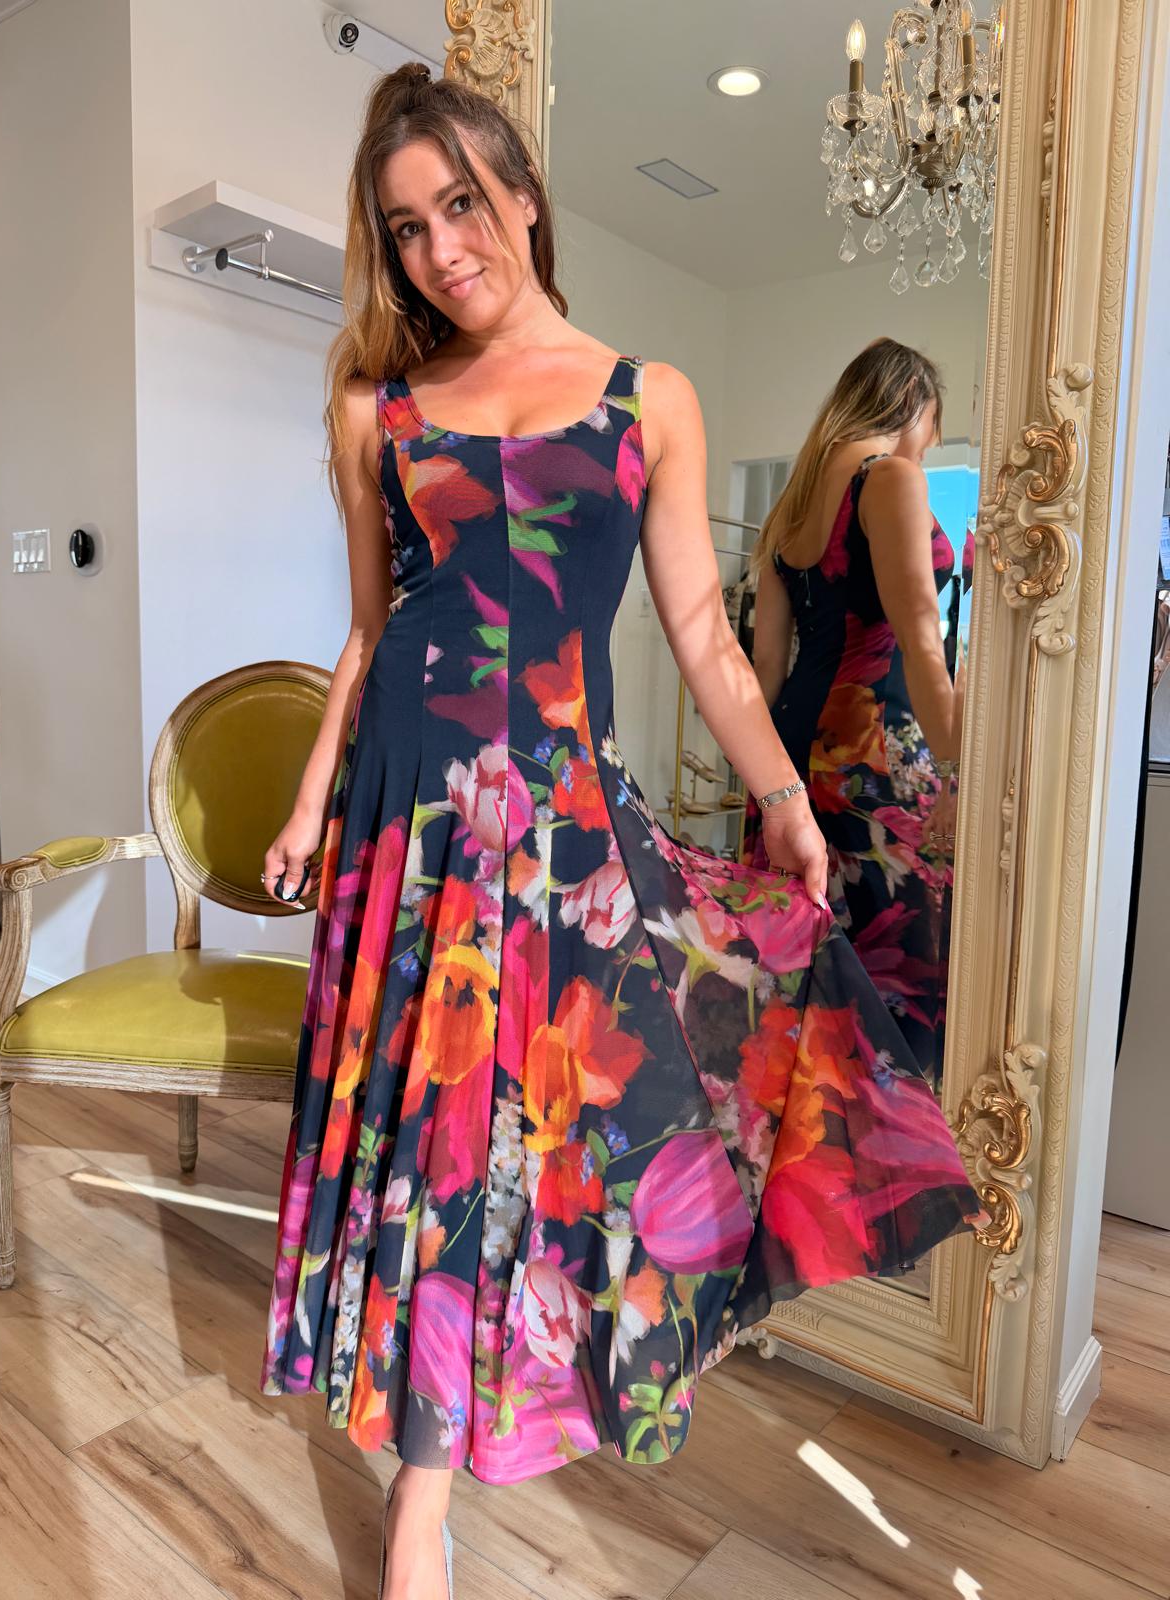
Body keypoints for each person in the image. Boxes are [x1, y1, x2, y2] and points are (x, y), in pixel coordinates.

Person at [257, 66, 986, 1600]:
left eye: (461, 204)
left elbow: (708, 639)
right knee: (427, 1148)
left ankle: (506, 1415)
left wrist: (781, 798)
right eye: (406, 228)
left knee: (577, 1133)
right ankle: (421, 1501)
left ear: (523, 198)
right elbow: (371, 632)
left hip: (559, 834)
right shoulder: (376, 411)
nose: (441, 248)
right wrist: (319, 800)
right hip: (410, 825)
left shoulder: (646, 397)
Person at [741, 338, 964, 1086]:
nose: (925, 449)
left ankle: (816, 1135)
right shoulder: (891, 476)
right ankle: (890, 1137)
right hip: (874, 750)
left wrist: (763, 784)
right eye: (930, 431)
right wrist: (960, 767)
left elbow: (765, 669)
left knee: (808, 958)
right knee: (899, 966)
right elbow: (921, 638)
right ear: (912, 406)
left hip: (787, 751)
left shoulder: (790, 510)